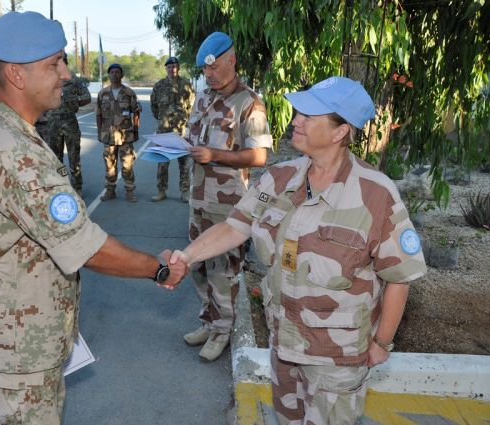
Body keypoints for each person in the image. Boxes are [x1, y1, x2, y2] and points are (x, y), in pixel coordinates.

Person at [0, 12, 186, 425]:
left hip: (14, 340)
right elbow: (86, 248)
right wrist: (159, 268)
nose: (66, 74)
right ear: (16, 75)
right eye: (54, 63)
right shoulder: (15, 153)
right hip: (22, 353)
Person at [170, 76, 427, 424]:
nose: (296, 121)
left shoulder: (375, 193)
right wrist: (186, 256)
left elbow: (400, 276)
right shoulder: (279, 178)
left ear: (340, 132)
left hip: (336, 358)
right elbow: (234, 226)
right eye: (298, 113)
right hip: (283, 346)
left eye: (309, 116)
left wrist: (382, 343)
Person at [182, 32, 273, 361]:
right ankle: (209, 321)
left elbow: (259, 156)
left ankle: (222, 331)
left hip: (228, 204)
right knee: (197, 265)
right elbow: (194, 139)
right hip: (198, 198)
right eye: (205, 70)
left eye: (214, 67)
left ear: (231, 60)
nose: (208, 74)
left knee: (222, 269)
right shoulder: (203, 98)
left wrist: (214, 155)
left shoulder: (249, 102)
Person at [44, 54, 91, 195]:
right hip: (52, 124)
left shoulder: (73, 79)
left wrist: (73, 105)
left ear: (65, 62)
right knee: (55, 158)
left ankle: (77, 188)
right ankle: (60, 187)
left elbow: (87, 97)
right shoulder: (47, 78)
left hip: (70, 123)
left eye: (61, 61)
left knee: (74, 157)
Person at [150, 56, 195, 202]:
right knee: (162, 163)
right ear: (166, 69)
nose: (172, 69)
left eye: (174, 66)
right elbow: (154, 107)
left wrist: (184, 121)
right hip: (164, 132)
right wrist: (163, 120)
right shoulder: (159, 86)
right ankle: (161, 191)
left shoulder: (186, 85)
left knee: (184, 163)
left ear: (178, 68)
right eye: (169, 67)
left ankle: (185, 192)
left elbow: (191, 107)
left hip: (182, 131)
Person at [96, 63, 141, 202]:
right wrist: (99, 132)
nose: (114, 74)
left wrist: (136, 130)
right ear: (109, 75)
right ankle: (110, 191)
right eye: (112, 72)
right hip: (108, 135)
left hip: (125, 135)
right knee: (109, 165)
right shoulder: (103, 93)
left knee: (127, 164)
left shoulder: (129, 93)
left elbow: (136, 112)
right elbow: (98, 114)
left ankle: (130, 191)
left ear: (122, 75)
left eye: (117, 72)